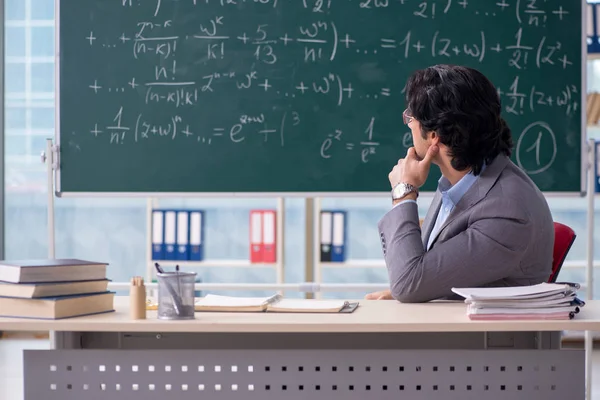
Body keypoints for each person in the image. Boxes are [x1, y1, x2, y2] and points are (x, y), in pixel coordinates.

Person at [366, 64, 554, 303]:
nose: (409, 124)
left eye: (410, 117)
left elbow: (408, 283)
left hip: (485, 338)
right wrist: (414, 285)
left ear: (435, 136)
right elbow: (425, 276)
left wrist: (404, 192)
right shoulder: (459, 181)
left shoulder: (507, 209)